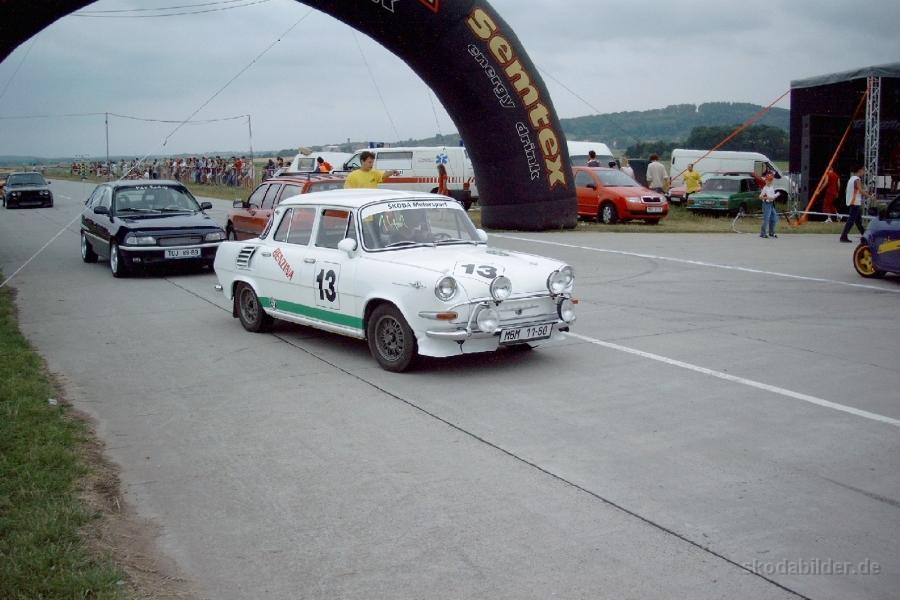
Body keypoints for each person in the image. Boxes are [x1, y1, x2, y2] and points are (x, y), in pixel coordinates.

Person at [839, 165, 869, 243]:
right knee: (851, 221)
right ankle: (843, 236)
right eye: (863, 170)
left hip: (852, 202)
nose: (864, 172)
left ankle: (865, 235)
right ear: (860, 170)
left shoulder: (851, 179)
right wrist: (869, 196)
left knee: (857, 221)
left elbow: (846, 191)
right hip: (855, 202)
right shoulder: (857, 179)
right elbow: (860, 190)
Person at [759, 172, 778, 238]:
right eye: (768, 180)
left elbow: (772, 195)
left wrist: (775, 196)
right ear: (766, 180)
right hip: (766, 204)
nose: (770, 182)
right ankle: (763, 233)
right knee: (766, 219)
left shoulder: (772, 187)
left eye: (771, 180)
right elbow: (760, 197)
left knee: (774, 218)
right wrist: (767, 198)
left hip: (771, 204)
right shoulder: (765, 188)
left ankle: (771, 232)